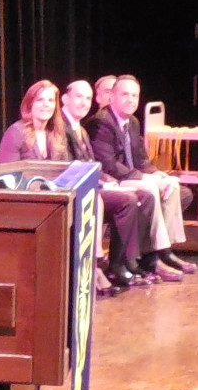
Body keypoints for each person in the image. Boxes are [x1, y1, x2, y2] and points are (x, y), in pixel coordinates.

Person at [87, 74, 196, 280]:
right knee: (150, 190)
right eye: (125, 94)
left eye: (134, 96)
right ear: (113, 97)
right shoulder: (101, 122)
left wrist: (157, 174)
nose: (130, 100)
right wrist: (146, 179)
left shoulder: (133, 121)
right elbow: (108, 164)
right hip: (113, 179)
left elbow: (140, 158)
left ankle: (160, 253)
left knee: (171, 188)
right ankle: (148, 258)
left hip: (129, 176)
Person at [61, 79, 156, 289]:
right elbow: (70, 168)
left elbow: (93, 166)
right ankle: (112, 266)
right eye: (79, 97)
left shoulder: (80, 129)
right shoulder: (63, 127)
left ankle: (130, 260)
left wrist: (109, 182)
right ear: (65, 99)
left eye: (87, 98)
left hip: (94, 184)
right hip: (73, 191)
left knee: (144, 195)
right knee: (128, 200)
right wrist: (106, 184)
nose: (84, 103)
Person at [0, 80, 69, 163]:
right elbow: (8, 172)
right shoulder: (15, 133)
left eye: (50, 100)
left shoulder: (58, 132)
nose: (46, 104)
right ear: (30, 104)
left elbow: (65, 170)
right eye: (40, 100)